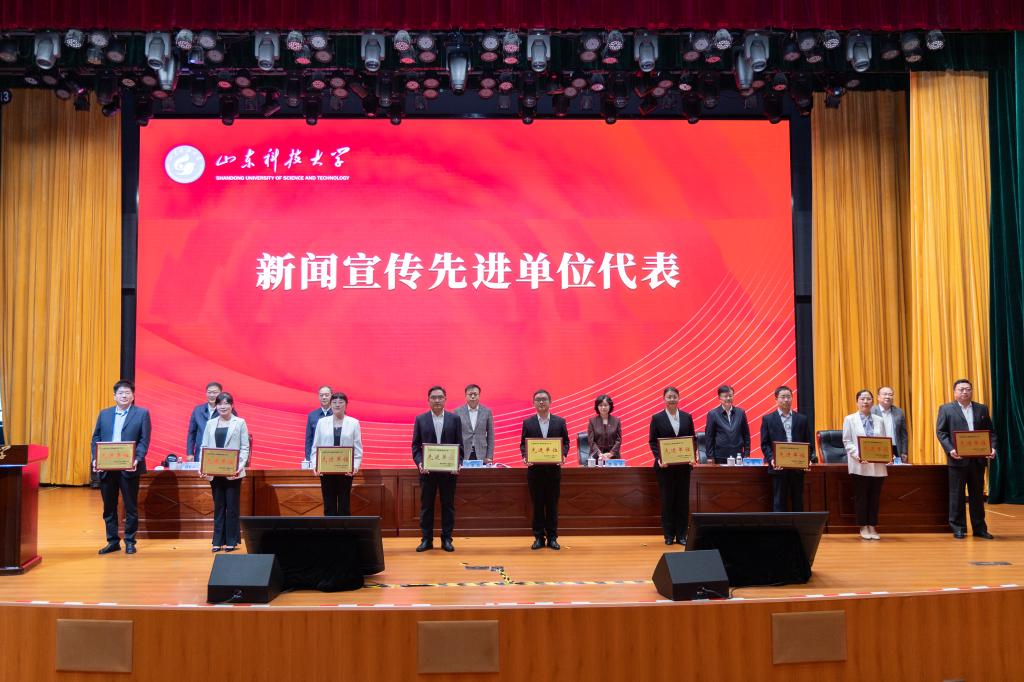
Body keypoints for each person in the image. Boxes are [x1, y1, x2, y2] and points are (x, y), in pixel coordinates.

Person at [91, 380, 151, 555]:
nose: (124, 396)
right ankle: (112, 541)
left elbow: (144, 440)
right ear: (114, 396)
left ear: (133, 396)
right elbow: (96, 438)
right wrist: (96, 458)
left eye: (127, 393)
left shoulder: (142, 414)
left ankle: (130, 541)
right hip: (107, 468)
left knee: (130, 507)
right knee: (109, 507)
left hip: (129, 468)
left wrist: (137, 458)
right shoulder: (104, 414)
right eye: (121, 393)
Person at [936, 378, 998, 539]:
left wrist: (992, 447)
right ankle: (958, 527)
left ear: (972, 391)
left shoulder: (981, 409)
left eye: (968, 389)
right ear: (954, 392)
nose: (965, 392)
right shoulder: (946, 409)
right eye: (961, 389)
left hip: (977, 460)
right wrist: (950, 449)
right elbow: (941, 432)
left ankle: (979, 528)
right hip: (957, 459)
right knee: (957, 495)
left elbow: (991, 432)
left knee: (977, 495)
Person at [411, 386, 464, 552]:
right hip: (427, 472)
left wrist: (458, 463)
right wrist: (420, 463)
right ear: (428, 400)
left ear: (445, 399)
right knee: (426, 506)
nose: (437, 400)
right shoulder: (421, 419)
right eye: (433, 397)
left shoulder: (454, 419)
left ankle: (447, 539)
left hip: (449, 473)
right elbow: (415, 446)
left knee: (448, 506)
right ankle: (426, 540)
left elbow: (460, 445)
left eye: (440, 397)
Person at [520, 389, 571, 550]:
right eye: (538, 399)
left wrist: (563, 455)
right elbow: (523, 444)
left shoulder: (559, 422)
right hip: (535, 472)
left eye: (544, 399)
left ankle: (552, 538)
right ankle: (538, 538)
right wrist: (525, 456)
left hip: (553, 472)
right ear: (533, 403)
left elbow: (566, 442)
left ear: (550, 402)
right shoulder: (528, 423)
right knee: (537, 506)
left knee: (552, 506)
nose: (541, 402)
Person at [200, 392, 250, 552]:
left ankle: (231, 541)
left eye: (226, 403)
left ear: (232, 405)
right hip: (214, 472)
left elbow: (245, 447)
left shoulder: (240, 422)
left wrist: (239, 466)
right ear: (216, 406)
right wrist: (202, 467)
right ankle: (217, 541)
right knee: (219, 506)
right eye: (220, 403)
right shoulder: (210, 423)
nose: (223, 406)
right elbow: (204, 446)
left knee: (232, 507)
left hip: (233, 472)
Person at [647, 387, 695, 546]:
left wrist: (692, 457)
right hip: (665, 468)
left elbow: (692, 439)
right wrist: (659, 458)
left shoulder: (687, 417)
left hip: (683, 467)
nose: (672, 399)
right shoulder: (657, 418)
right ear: (664, 399)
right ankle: (668, 535)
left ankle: (682, 535)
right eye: (669, 397)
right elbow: (653, 441)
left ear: (679, 398)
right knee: (667, 501)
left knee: (682, 501)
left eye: (674, 396)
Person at [760, 385, 815, 512]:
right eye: (783, 397)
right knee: (779, 501)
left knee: (798, 501)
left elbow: (808, 443)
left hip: (798, 468)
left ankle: (798, 525)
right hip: (778, 467)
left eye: (789, 397)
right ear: (776, 399)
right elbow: (765, 444)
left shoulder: (802, 419)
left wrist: (807, 459)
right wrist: (772, 459)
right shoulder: (768, 419)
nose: (786, 400)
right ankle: (780, 525)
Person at [842, 389, 888, 540]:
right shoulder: (850, 419)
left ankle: (872, 526)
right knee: (861, 497)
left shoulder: (879, 420)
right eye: (862, 399)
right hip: (859, 465)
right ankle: (863, 526)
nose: (865, 401)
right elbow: (847, 441)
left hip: (878, 466)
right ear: (857, 402)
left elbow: (884, 440)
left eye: (868, 399)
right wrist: (858, 455)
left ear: (873, 402)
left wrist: (887, 454)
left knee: (874, 497)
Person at [310, 392, 363, 515]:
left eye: (340, 402)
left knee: (344, 504)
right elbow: (315, 446)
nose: (337, 405)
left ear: (346, 405)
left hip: (346, 470)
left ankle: (344, 527)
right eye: (334, 402)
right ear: (331, 404)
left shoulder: (354, 423)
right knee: (329, 503)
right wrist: (315, 465)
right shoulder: (322, 422)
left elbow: (358, 448)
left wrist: (355, 466)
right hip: (326, 470)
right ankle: (330, 527)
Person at [704, 384, 751, 464]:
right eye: (725, 396)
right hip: (720, 456)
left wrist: (747, 454)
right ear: (719, 398)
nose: (728, 398)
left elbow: (746, 435)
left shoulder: (741, 413)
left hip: (738, 456)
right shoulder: (713, 414)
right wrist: (710, 457)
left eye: (730, 396)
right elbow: (709, 437)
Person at [454, 384, 494, 463]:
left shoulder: (487, 412)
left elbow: (490, 435)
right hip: (463, 453)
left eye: (475, 394)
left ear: (479, 395)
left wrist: (489, 456)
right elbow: (454, 435)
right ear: (465, 396)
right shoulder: (457, 412)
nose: (473, 396)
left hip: (482, 453)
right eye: (470, 394)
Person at [186, 381, 222, 462]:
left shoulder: (226, 410)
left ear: (221, 393)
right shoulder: (198, 410)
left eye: (215, 392)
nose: (211, 395)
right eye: (209, 392)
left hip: (220, 453)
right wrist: (190, 453)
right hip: (200, 452)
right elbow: (192, 432)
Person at [872, 386, 909, 463]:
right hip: (877, 448)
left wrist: (904, 451)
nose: (887, 397)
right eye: (885, 394)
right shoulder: (871, 412)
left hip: (895, 449)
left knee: (896, 470)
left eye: (890, 394)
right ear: (878, 397)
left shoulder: (899, 412)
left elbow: (903, 434)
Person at [587, 394, 622, 462]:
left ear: (610, 406)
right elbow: (591, 441)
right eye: (600, 405)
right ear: (597, 407)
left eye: (605, 405)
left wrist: (611, 453)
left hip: (613, 457)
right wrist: (599, 454)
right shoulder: (592, 421)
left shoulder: (616, 421)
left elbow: (618, 440)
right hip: (597, 457)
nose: (603, 407)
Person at [304, 385, 333, 461]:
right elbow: (309, 439)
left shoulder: (338, 415)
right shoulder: (312, 415)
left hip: (334, 455)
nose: (324, 397)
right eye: (321, 395)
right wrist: (308, 459)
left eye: (326, 395)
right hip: (316, 456)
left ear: (332, 396)